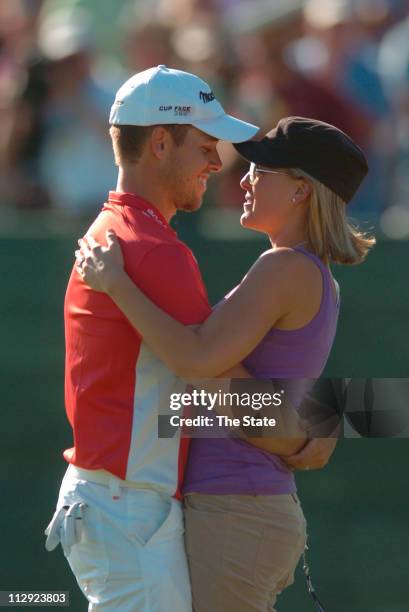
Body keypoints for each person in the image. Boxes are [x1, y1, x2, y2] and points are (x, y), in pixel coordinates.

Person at [76, 116, 375, 611]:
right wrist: (306, 432)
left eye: (262, 171)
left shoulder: (283, 268)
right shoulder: (304, 271)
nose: (244, 179)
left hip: (238, 510)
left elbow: (195, 361)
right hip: (245, 509)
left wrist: (116, 284)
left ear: (302, 191)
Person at [44, 64, 259, 611]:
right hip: (127, 509)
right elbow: (209, 376)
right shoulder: (151, 247)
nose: (218, 162)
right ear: (160, 143)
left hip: (120, 506)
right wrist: (337, 418)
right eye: (206, 145)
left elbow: (171, 397)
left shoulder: (120, 233)